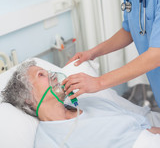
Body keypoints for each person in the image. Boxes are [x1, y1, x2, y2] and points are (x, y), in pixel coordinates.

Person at [1, 60, 160, 148]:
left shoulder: (91, 102)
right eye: (41, 74)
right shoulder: (49, 141)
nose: (52, 74)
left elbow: (145, 127)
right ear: (27, 98)